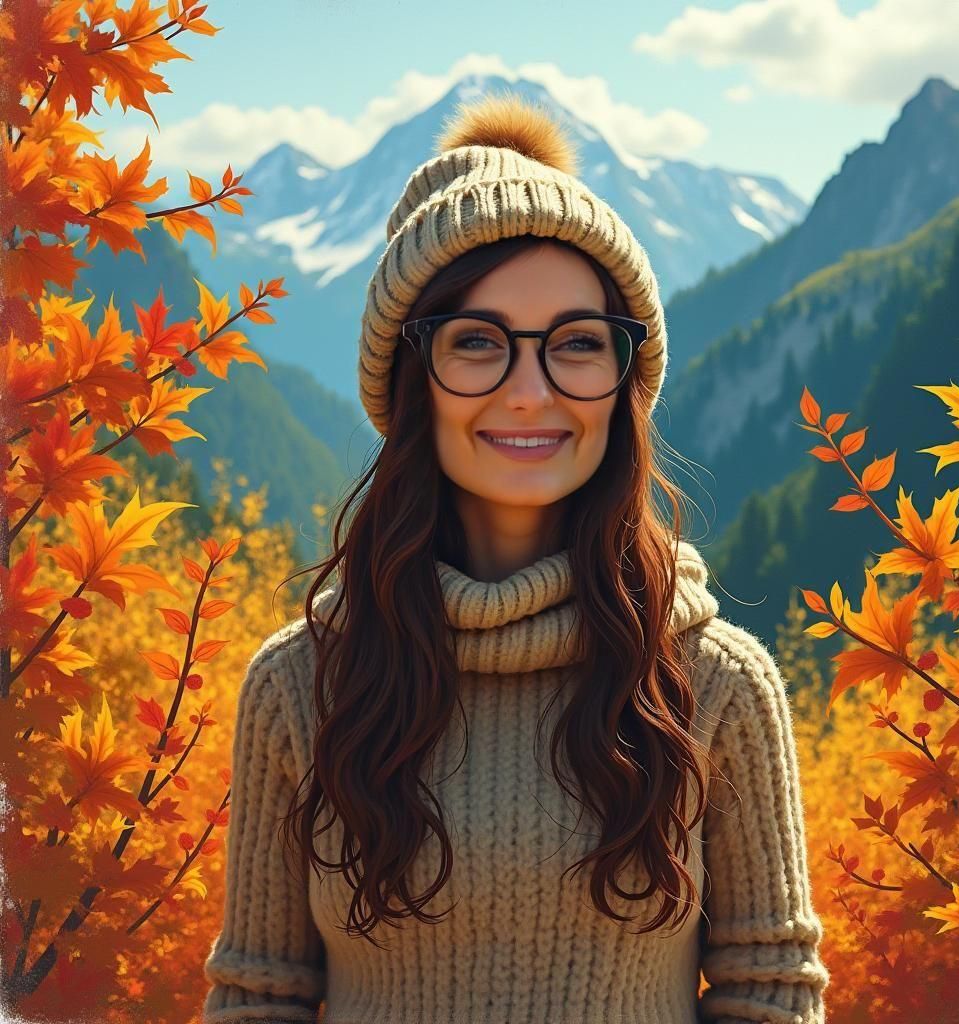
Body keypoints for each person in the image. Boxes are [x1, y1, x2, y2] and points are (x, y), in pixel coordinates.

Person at [202, 90, 830, 1024]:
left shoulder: (713, 683)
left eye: (576, 344)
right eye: (479, 344)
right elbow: (258, 999)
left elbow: (770, 997)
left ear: (625, 383)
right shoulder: (304, 686)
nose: (531, 393)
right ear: (414, 382)